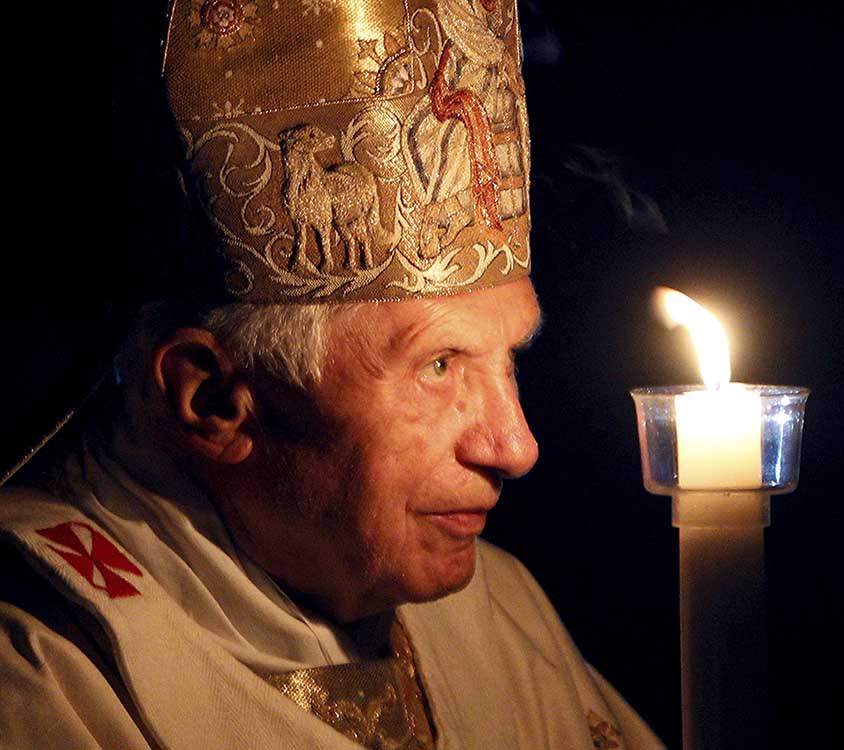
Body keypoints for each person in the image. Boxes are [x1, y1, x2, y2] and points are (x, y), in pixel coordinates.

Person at [0, 1, 663, 748]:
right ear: (215, 401)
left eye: (508, 360)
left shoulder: (502, 604)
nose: (516, 447)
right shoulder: (38, 663)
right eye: (440, 366)